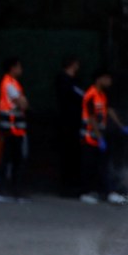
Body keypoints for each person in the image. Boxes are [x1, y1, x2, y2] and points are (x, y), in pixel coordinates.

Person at [79, 69, 128, 206]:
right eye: (107, 78)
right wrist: (100, 138)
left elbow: (108, 110)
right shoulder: (91, 95)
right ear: (99, 79)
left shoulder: (102, 95)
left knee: (102, 166)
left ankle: (107, 192)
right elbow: (91, 118)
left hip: (98, 137)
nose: (109, 82)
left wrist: (120, 126)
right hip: (90, 137)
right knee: (90, 166)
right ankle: (87, 192)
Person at [0, 56, 29, 201]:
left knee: (14, 159)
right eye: (19, 67)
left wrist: (23, 102)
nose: (21, 70)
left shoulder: (13, 83)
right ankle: (4, 190)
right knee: (9, 159)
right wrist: (23, 101)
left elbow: (23, 102)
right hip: (11, 128)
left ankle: (13, 189)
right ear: (12, 68)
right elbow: (22, 103)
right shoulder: (9, 83)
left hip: (15, 128)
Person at [53, 55, 84, 196]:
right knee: (66, 154)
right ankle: (65, 187)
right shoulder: (63, 80)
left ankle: (71, 185)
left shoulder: (74, 81)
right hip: (66, 122)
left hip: (74, 122)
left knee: (73, 154)